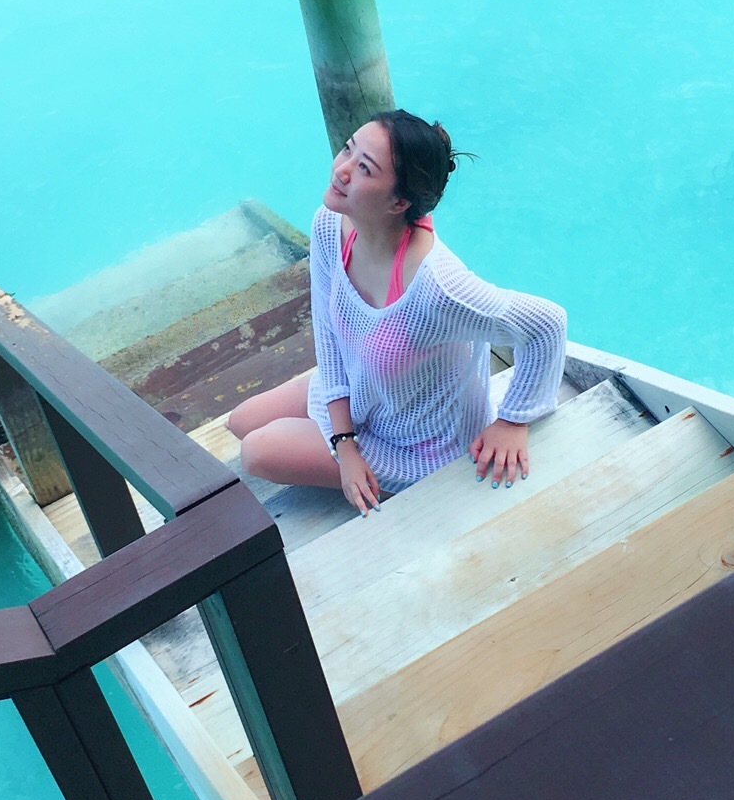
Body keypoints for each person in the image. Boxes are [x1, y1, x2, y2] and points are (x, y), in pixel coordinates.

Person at [226, 110, 567, 518]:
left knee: (257, 451)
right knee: (241, 421)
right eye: (348, 149)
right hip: (363, 393)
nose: (342, 170)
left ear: (399, 202)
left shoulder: (438, 288)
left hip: (418, 447)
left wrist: (513, 421)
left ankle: (400, 489)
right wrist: (345, 445)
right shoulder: (330, 224)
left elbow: (547, 324)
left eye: (365, 168)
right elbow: (328, 336)